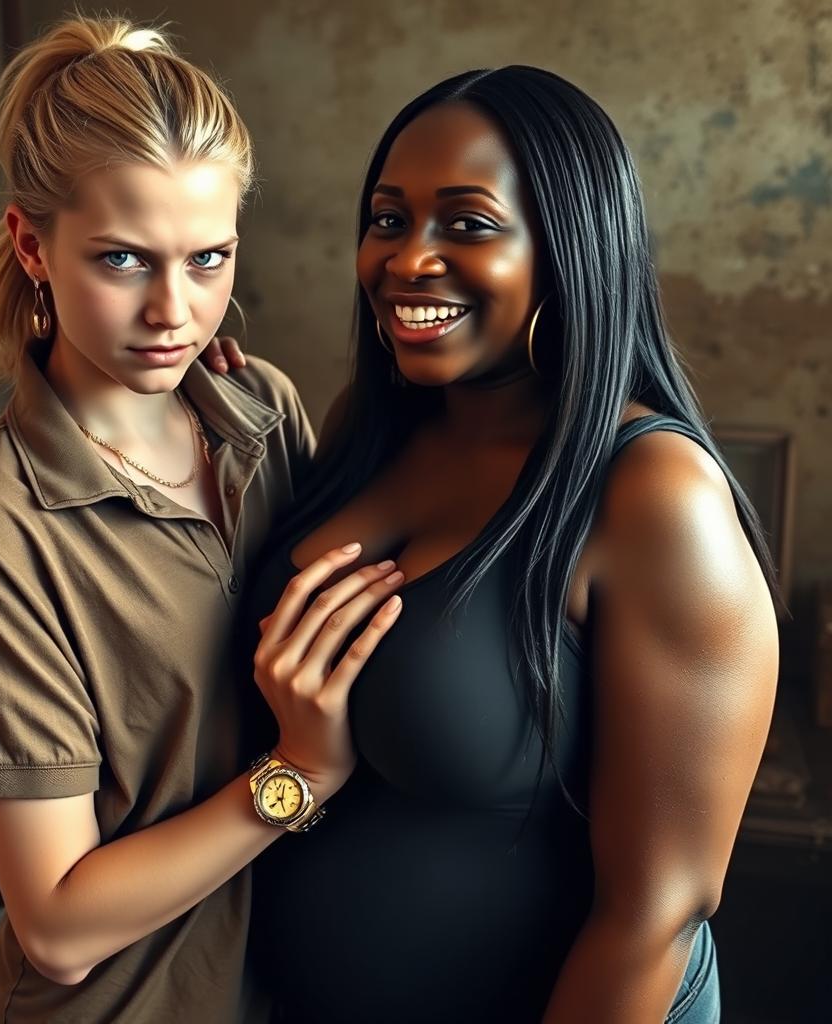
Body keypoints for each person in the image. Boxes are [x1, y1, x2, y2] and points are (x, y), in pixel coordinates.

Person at [242, 67, 779, 1023]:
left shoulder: (651, 494)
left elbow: (656, 914)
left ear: (569, 249)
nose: (409, 258)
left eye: (468, 223)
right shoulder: (371, 423)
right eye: (388, 219)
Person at [0, 15, 405, 1023]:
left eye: (208, 258)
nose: (174, 311)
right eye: (124, 261)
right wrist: (297, 776)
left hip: (298, 983)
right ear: (32, 245)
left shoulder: (261, 410)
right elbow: (57, 927)